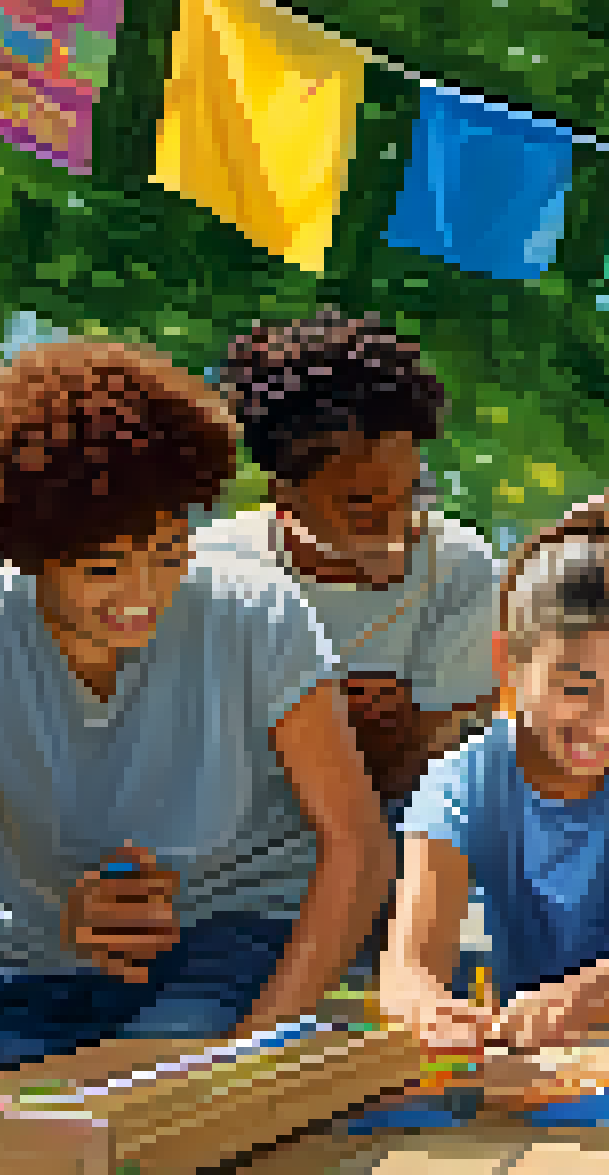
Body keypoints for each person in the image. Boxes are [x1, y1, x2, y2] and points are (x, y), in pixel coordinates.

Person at [0, 341, 391, 1134]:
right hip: (19, 964)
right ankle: (5, 1060)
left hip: (229, 947)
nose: (143, 594)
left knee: (170, 1068)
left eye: (168, 555)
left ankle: (50, 1068)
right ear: (29, 555)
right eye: (103, 569)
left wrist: (259, 1045)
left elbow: (357, 844)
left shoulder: (257, 613)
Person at [383, 474, 609, 1048]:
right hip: (533, 1060)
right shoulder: (462, 781)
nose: (604, 724)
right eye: (576, 688)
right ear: (507, 663)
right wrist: (429, 1010)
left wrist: (570, 1002)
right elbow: (406, 970)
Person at [194, 312, 500, 983]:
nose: (396, 523)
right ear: (283, 491)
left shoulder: (458, 568)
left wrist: (394, 735)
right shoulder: (213, 572)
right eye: (362, 504)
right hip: (234, 875)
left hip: (399, 863)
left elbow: (431, 773)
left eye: (411, 493)